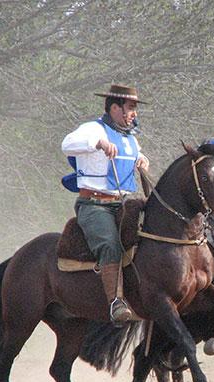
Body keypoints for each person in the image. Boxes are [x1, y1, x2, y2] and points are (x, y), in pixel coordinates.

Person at [61, 84, 150, 324]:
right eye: (131, 108)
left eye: (134, 109)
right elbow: (67, 144)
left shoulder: (130, 138)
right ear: (114, 108)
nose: (134, 113)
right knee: (110, 245)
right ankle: (116, 302)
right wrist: (98, 144)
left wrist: (142, 160)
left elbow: (135, 155)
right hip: (94, 205)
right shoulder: (92, 129)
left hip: (122, 204)